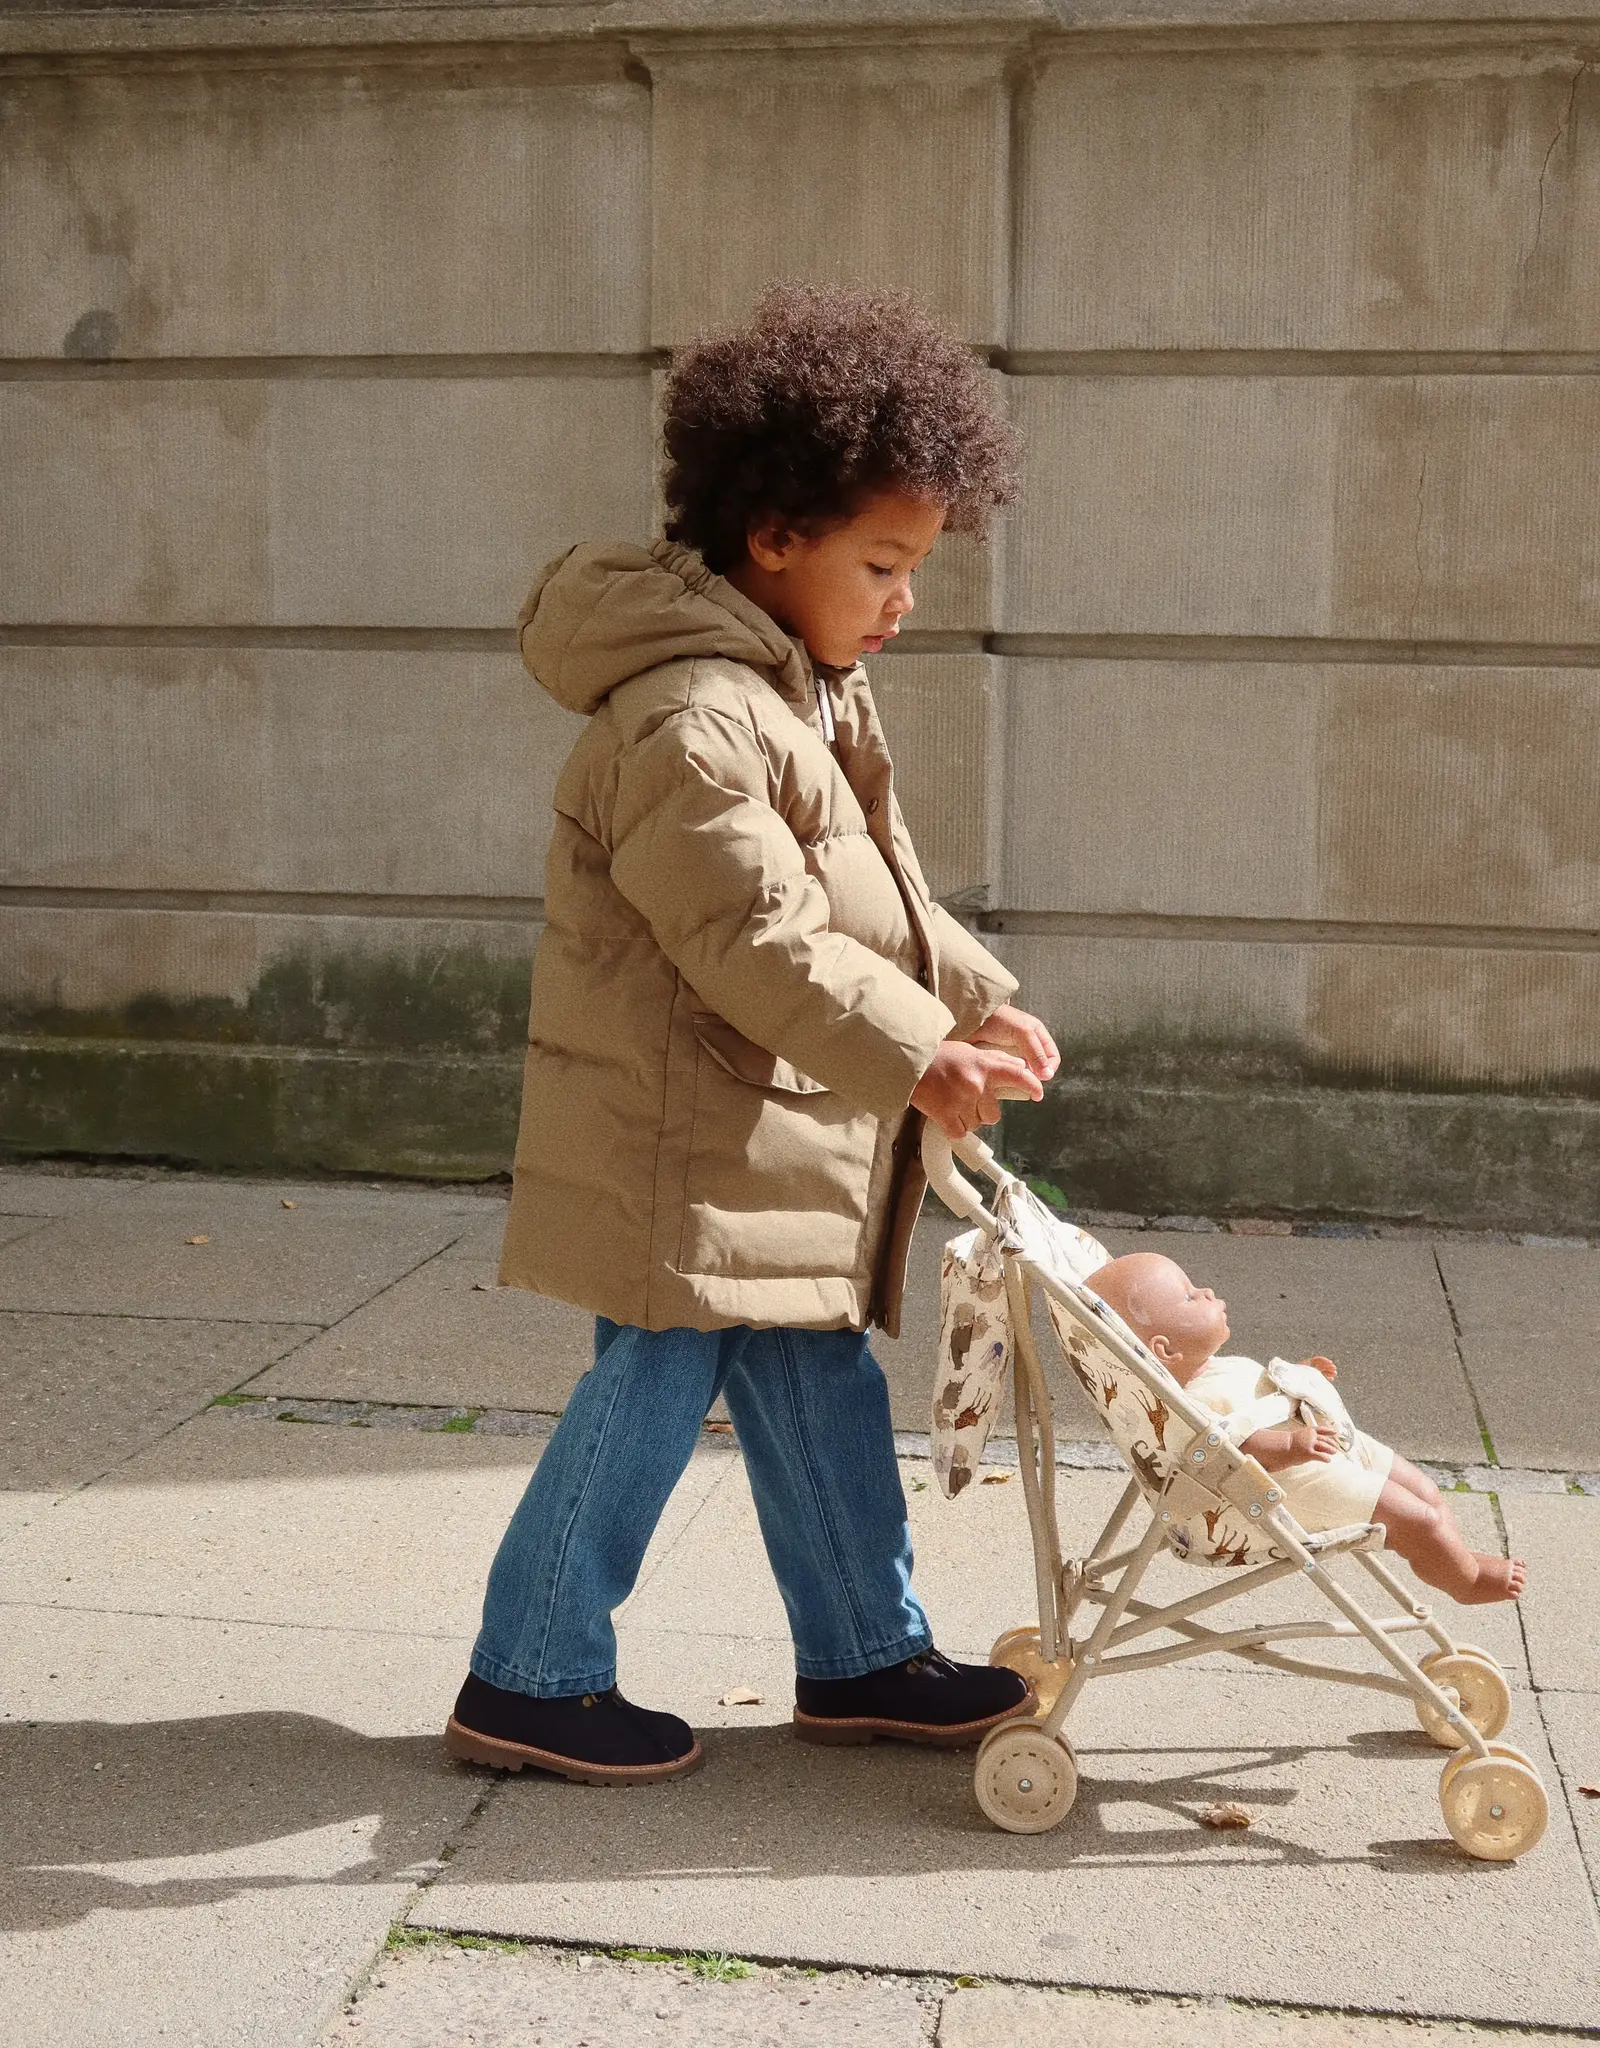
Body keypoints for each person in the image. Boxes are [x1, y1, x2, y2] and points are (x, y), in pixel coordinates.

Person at [445, 284, 1061, 1785]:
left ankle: (862, 1649)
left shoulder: (803, 696)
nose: (907, 597)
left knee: (814, 1381)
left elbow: (864, 892)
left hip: (767, 1136)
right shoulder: (691, 719)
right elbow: (751, 933)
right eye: (885, 563)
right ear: (773, 537)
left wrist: (973, 996)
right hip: (684, 1137)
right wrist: (917, 1052)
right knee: (652, 1382)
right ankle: (530, 1676)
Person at [1085, 1252, 1527, 1604]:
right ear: (1166, 1350)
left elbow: (1255, 1399)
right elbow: (1233, 1448)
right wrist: (1291, 1444)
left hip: (1327, 1443)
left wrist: (1299, 1375)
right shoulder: (1199, 1400)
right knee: (1419, 1520)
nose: (1205, 1290)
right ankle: (1465, 1581)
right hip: (1293, 1481)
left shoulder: (1219, 1368)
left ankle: (1460, 1559)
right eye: (1188, 1297)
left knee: (1428, 1492)